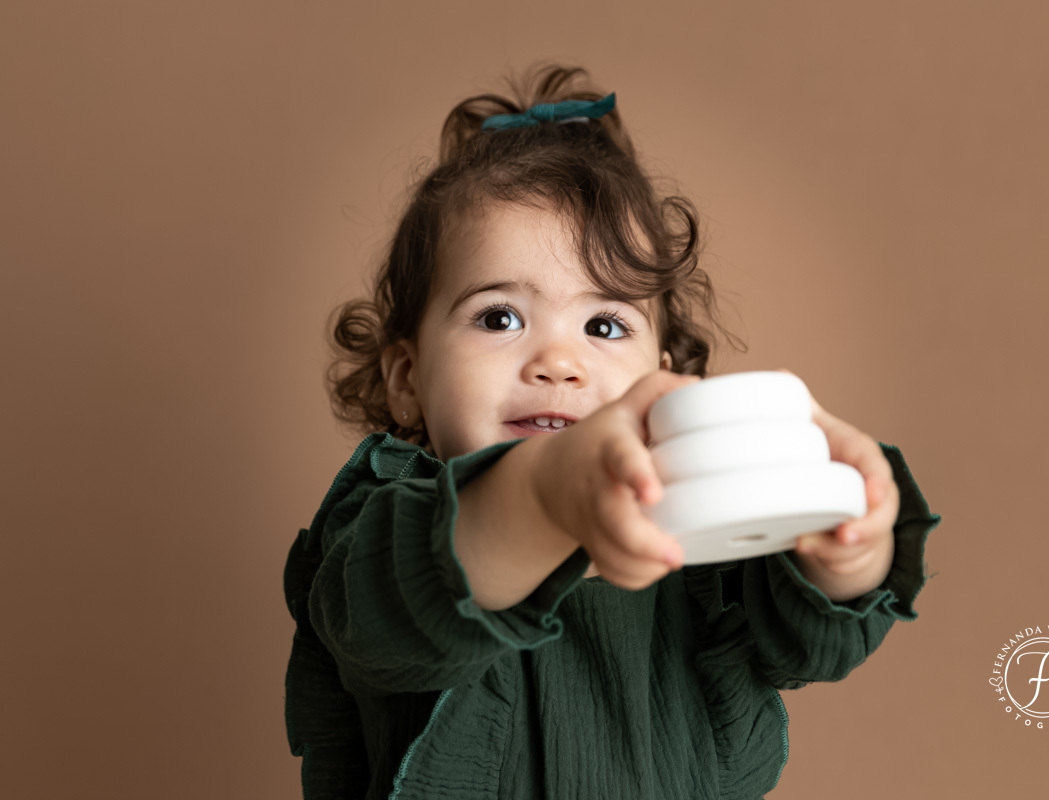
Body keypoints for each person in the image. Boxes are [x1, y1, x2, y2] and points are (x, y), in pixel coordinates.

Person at [283, 63, 942, 800]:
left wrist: (846, 547)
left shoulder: (688, 523)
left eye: (603, 325)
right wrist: (544, 496)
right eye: (499, 317)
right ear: (407, 378)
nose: (559, 362)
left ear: (663, 382)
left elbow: (806, 641)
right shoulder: (380, 525)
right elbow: (390, 611)